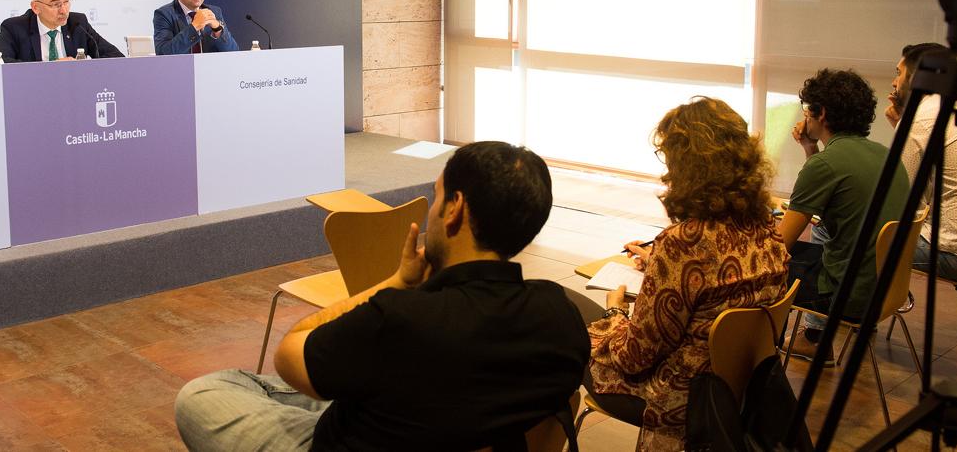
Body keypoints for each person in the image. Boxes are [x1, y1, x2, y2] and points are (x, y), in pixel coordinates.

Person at [174, 141, 589, 452]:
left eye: (438, 194)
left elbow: (289, 357)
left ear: (455, 209)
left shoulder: (400, 318)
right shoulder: (561, 316)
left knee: (205, 393)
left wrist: (398, 281)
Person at [588, 97, 789, 450]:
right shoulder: (767, 231)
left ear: (687, 165)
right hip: (741, 390)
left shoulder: (682, 245)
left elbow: (636, 356)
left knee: (570, 321)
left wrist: (614, 313)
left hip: (681, 400)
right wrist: (659, 265)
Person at [778, 69, 909, 364]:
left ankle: (778, 352)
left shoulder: (825, 165)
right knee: (808, 251)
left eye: (806, 110)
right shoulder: (887, 155)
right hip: (884, 290)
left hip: (846, 297)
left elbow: (781, 244)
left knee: (762, 268)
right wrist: (810, 149)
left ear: (820, 113)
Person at [885, 42, 957, 283]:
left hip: (952, 256)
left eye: (899, 73)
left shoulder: (920, 121)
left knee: (843, 231)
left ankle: (829, 320)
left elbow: (904, 208)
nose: (894, 83)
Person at [0, 0, 123, 62]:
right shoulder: (15, 27)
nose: (63, 10)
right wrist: (51, 69)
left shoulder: (78, 23)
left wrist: (81, 66)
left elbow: (116, 56)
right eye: (55, 5)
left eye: (66, 2)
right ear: (36, 7)